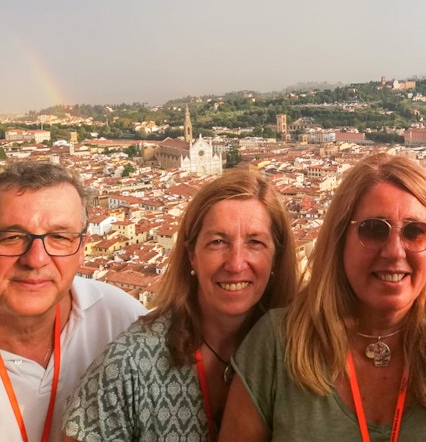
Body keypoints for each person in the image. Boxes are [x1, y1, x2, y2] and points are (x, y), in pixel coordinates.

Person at [219, 152, 426, 441]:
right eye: (373, 230)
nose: (395, 252)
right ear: (339, 241)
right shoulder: (277, 344)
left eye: (415, 232)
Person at [63, 168, 299, 441]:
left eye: (255, 242)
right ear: (191, 255)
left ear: (276, 259)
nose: (235, 263)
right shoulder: (129, 365)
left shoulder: (301, 355)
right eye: (217, 242)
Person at [0, 160, 147, 442]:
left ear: (82, 249)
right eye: (13, 237)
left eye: (59, 237)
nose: (36, 259)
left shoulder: (121, 320)